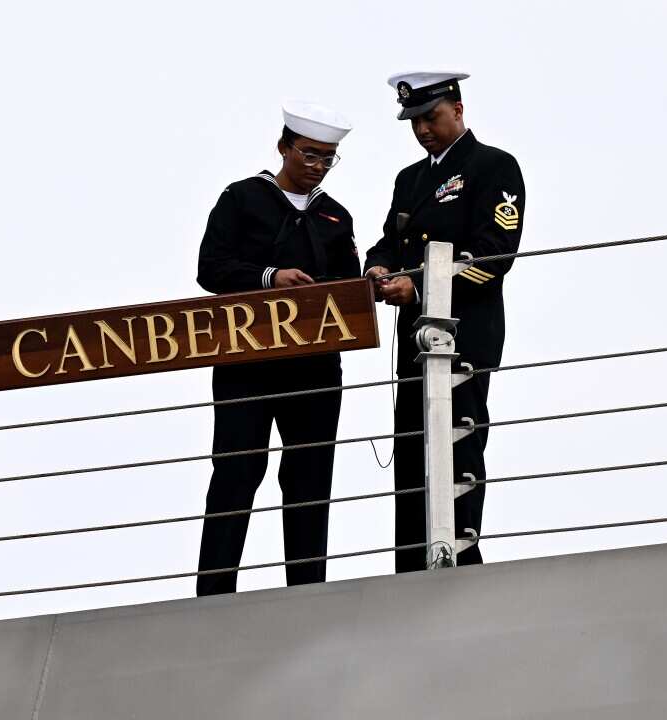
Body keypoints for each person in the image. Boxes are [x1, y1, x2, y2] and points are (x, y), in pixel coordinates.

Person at [195, 101, 362, 596]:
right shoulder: (243, 199)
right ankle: (215, 591)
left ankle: (307, 589)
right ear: (284, 147)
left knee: (310, 475)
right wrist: (270, 279)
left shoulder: (335, 216)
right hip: (247, 362)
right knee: (237, 469)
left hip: (313, 366)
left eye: (327, 158)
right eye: (309, 154)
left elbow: (348, 287)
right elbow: (212, 268)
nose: (317, 165)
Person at [364, 72, 525, 572]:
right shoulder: (409, 180)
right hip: (414, 338)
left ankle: (462, 554)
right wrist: (378, 268)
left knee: (460, 439)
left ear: (457, 107)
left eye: (430, 117)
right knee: (411, 446)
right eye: (414, 121)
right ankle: (410, 564)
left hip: (465, 335)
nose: (423, 130)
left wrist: (427, 286)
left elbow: (496, 254)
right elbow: (390, 240)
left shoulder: (493, 166)